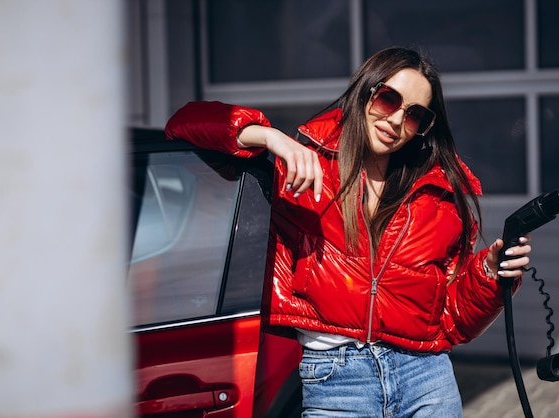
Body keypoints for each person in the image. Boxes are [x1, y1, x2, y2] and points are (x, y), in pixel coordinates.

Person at [165, 46, 531, 418]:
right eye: (389, 99)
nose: (395, 121)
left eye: (414, 115)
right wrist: (270, 137)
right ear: (365, 91)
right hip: (337, 382)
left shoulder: (441, 199)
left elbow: (452, 322)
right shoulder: (301, 168)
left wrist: (489, 274)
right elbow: (184, 123)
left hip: (426, 379)